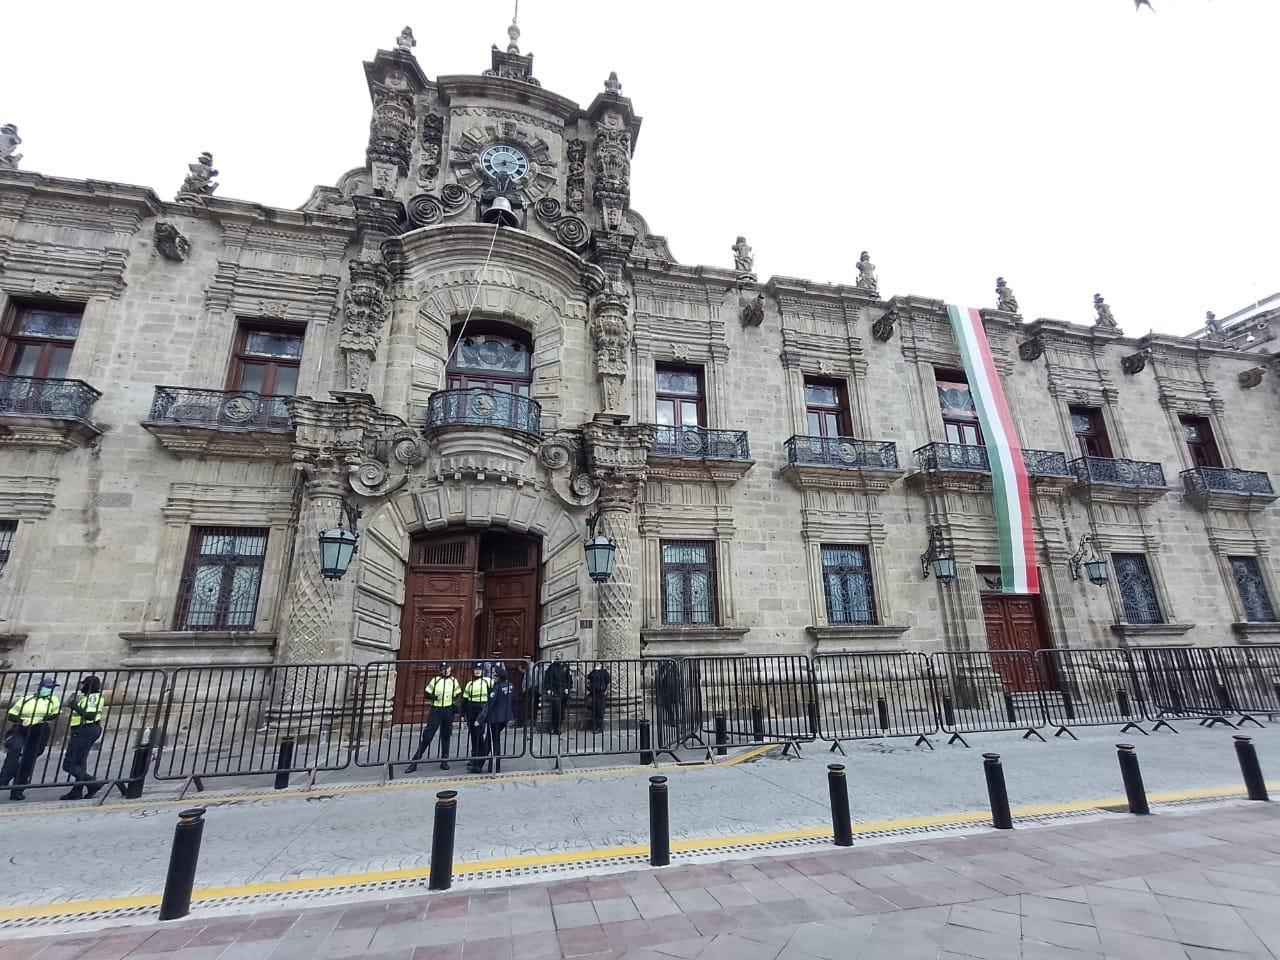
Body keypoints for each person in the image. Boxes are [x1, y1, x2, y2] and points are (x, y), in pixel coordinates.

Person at [2, 676, 61, 801]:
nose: (49, 690)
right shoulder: (26, 699)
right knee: (15, 750)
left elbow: (54, 715)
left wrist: (40, 719)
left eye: (51, 688)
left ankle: (18, 789)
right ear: (40, 687)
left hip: (39, 729)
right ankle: (4, 779)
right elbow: (12, 714)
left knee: (29, 759)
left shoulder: (53, 700)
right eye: (48, 687)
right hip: (21, 728)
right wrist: (22, 720)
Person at [405, 663, 461, 773]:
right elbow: (427, 693)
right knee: (428, 736)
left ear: (450, 669)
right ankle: (415, 761)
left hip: (448, 710)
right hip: (436, 709)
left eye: (447, 668)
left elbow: (458, 693)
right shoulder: (435, 680)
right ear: (440, 670)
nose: (445, 671)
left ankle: (444, 761)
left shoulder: (454, 681)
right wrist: (435, 697)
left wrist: (454, 698)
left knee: (445, 735)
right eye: (443, 669)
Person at [60, 675, 106, 800]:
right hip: (83, 730)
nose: (82, 686)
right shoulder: (88, 697)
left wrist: (74, 705)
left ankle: (92, 783)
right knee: (80, 762)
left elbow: (90, 715)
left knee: (69, 764)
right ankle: (77, 790)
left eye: (84, 684)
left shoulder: (93, 698)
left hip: (86, 729)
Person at [475, 665, 516, 774]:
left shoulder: (497, 688)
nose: (493, 678)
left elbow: (490, 704)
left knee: (493, 742)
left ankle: (493, 766)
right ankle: (480, 765)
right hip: (505, 717)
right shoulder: (510, 685)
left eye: (494, 676)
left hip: (495, 718)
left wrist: (479, 719)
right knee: (490, 740)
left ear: (498, 677)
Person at [462, 664, 493, 773]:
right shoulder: (469, 684)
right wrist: (462, 714)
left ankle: (478, 758)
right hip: (471, 710)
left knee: (479, 735)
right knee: (474, 735)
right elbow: (465, 700)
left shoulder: (487, 681)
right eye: (476, 669)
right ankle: (474, 756)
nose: (477, 671)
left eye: (479, 669)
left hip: (482, 709)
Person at [544, 652, 572, 735]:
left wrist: (568, 688)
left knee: (561, 710)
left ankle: (558, 726)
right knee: (556, 708)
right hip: (555, 690)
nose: (556, 657)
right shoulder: (552, 667)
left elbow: (569, 680)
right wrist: (548, 689)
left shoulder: (566, 667)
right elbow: (547, 679)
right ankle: (553, 726)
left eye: (558, 656)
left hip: (563, 691)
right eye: (556, 656)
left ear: (562, 657)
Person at [585, 662, 612, 734]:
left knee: (600, 711)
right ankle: (595, 726)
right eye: (596, 662)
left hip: (601, 694)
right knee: (594, 711)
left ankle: (599, 727)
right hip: (594, 693)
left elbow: (609, 683)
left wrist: (606, 692)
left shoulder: (604, 672)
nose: (596, 664)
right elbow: (588, 678)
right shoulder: (593, 672)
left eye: (598, 663)